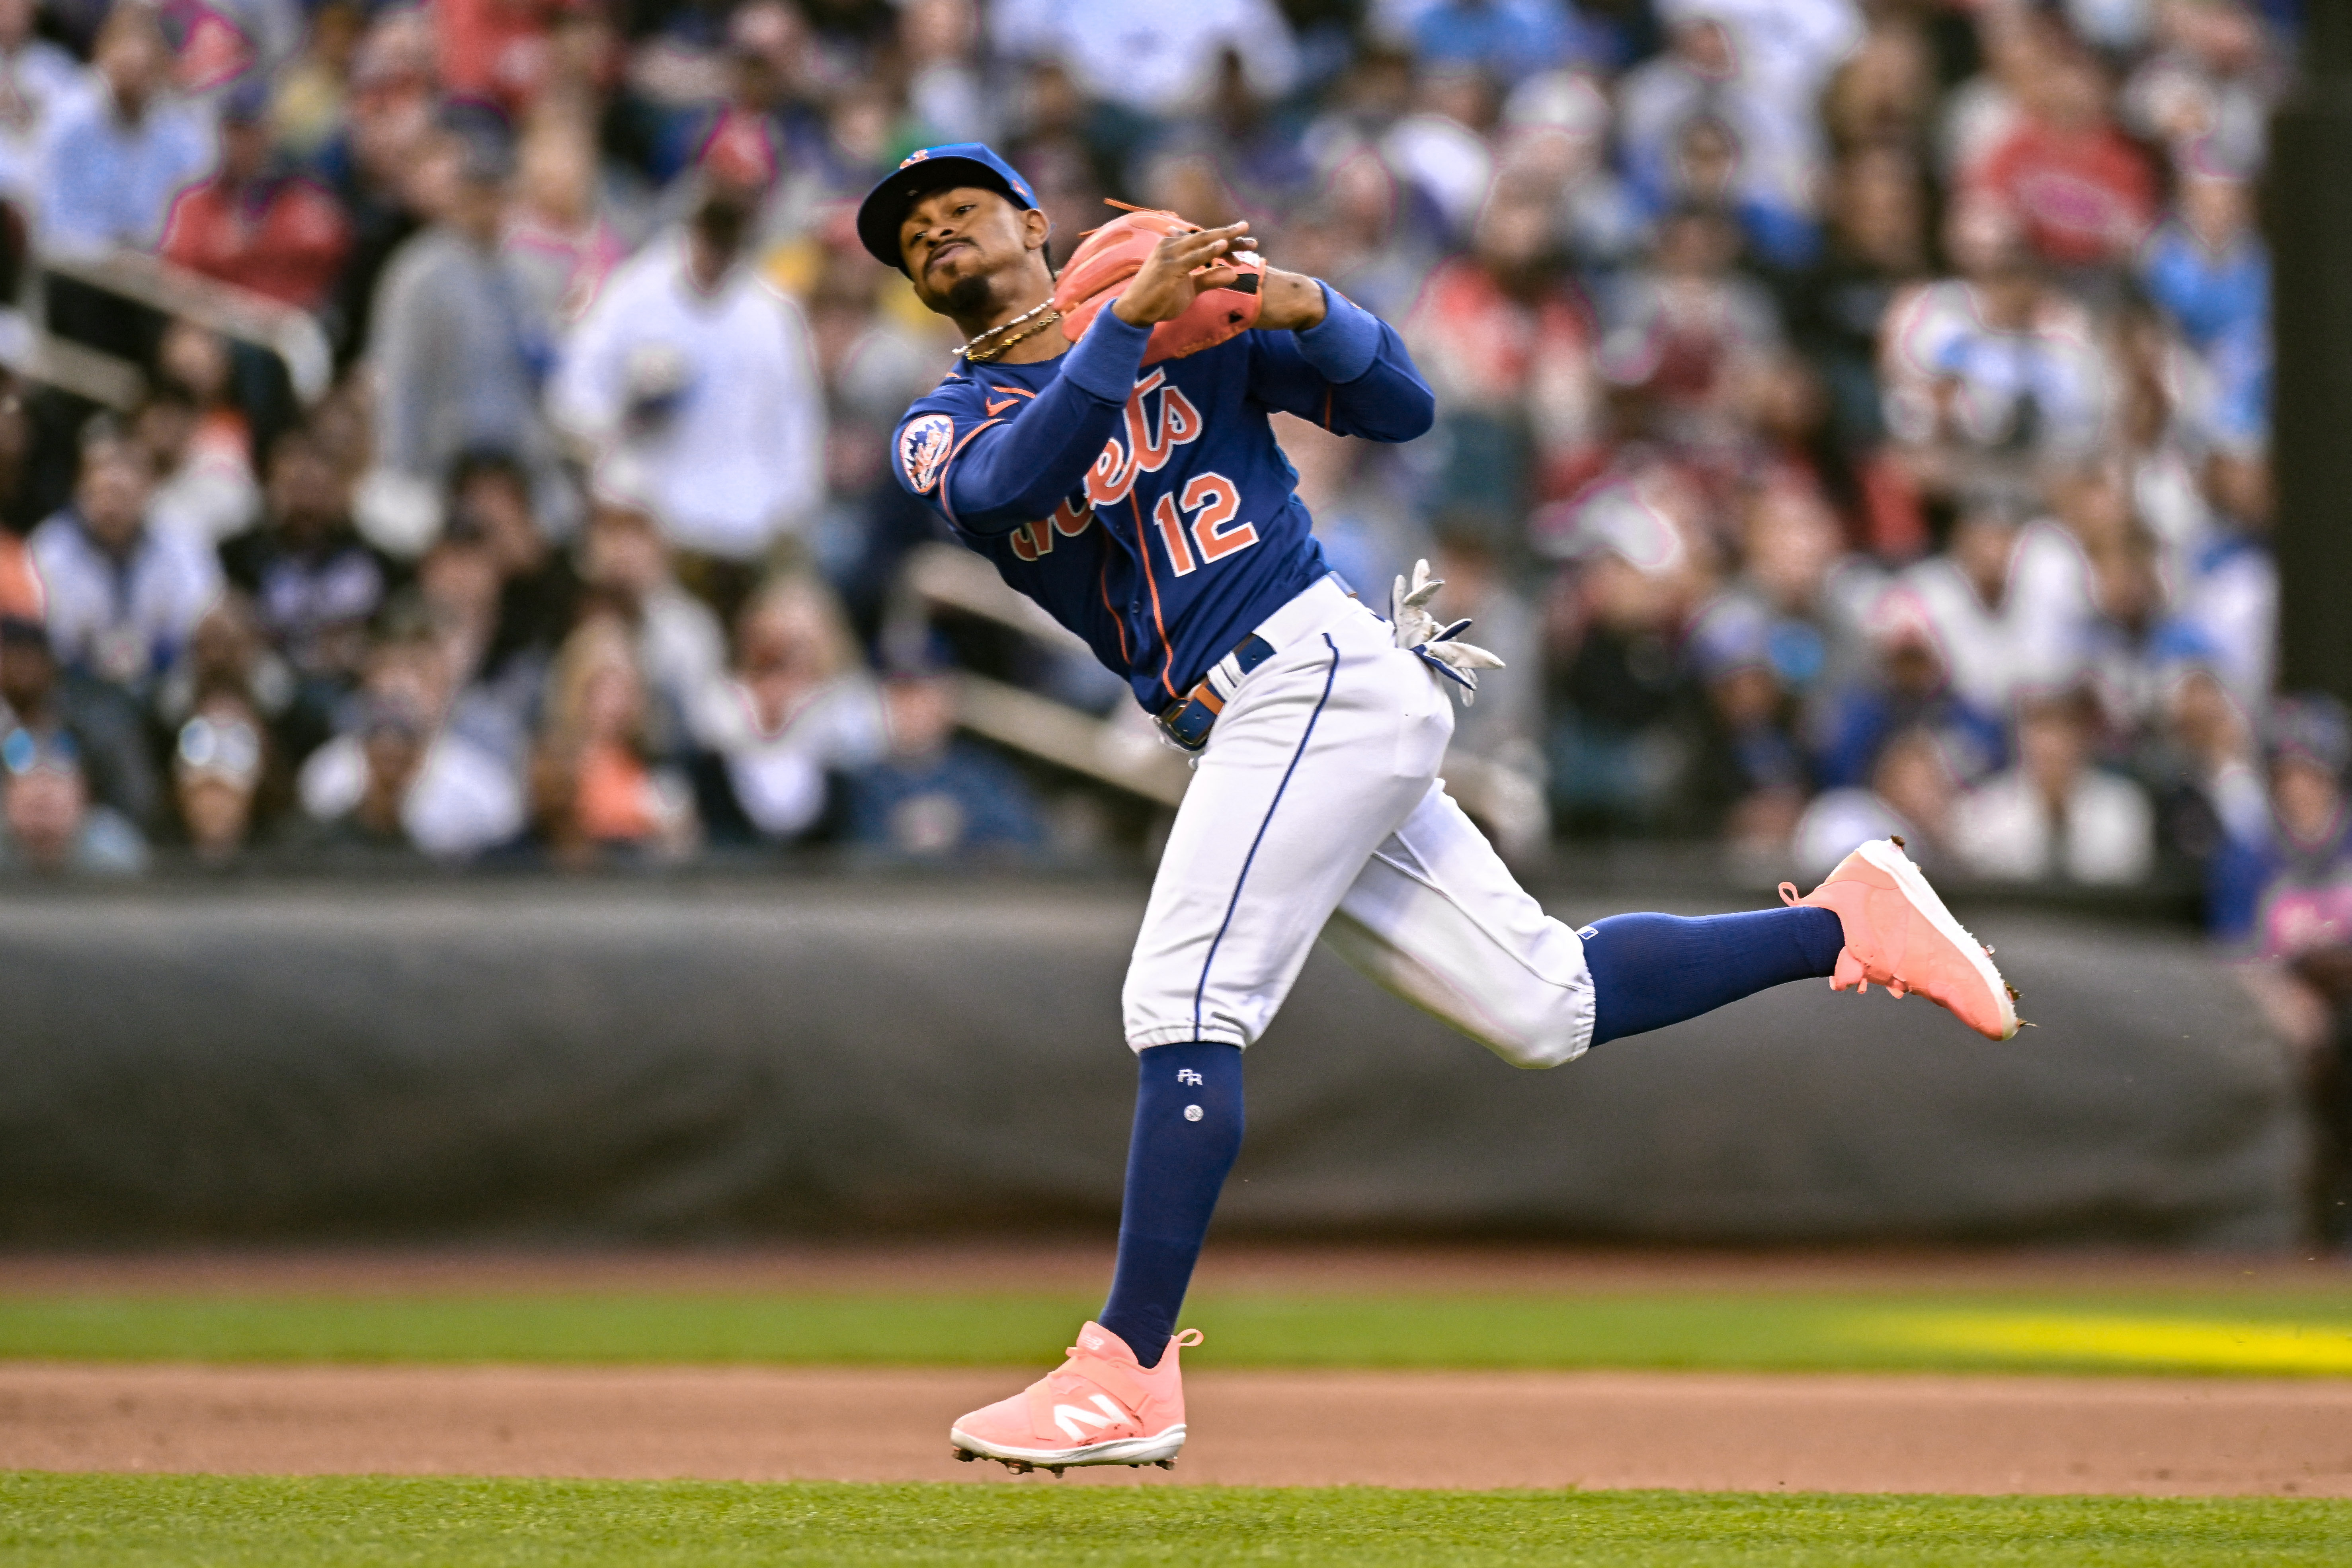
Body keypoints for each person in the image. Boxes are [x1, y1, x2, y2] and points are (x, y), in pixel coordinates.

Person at [859, 142, 2023, 1475]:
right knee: (1545, 1006)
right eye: (912, 230)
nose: (938, 231)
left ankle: (1124, 1370)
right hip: (1268, 717)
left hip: (1311, 675)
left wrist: (1315, 307)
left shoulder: (1181, 326)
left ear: (1030, 218)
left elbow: (1402, 407)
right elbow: (1017, 484)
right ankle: (1842, 922)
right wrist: (1122, 326)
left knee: (1184, 1002)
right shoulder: (942, 422)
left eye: (961, 207)